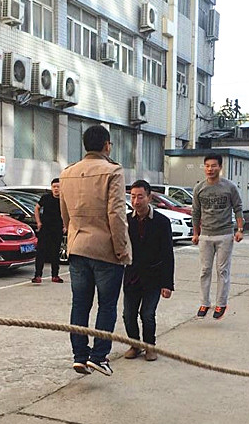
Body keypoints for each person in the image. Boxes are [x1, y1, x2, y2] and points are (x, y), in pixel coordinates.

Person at [59, 125, 131, 376]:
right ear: (106, 145)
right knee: (107, 305)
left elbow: (65, 215)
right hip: (105, 249)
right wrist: (122, 249)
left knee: (80, 304)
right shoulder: (113, 171)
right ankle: (99, 356)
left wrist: (73, 236)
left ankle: (79, 356)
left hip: (77, 247)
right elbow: (116, 214)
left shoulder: (67, 173)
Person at [123, 180, 174, 362]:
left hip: (153, 277)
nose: (136, 201)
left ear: (149, 197)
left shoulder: (162, 222)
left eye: (140, 197)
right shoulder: (126, 220)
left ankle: (149, 346)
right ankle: (134, 345)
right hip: (131, 276)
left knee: (147, 314)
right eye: (133, 197)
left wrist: (167, 284)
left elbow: (167, 253)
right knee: (128, 315)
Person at [191, 154, 244, 320]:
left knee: (222, 270)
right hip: (205, 235)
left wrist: (240, 229)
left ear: (220, 167)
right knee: (205, 270)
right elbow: (196, 212)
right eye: (207, 166)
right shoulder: (199, 188)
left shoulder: (229, 187)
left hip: (225, 234)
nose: (210, 169)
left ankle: (221, 303)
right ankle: (204, 303)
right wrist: (195, 233)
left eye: (214, 166)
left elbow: (238, 208)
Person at [31, 178, 65, 284]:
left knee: (55, 252)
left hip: (57, 228)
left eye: (58, 187)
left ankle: (55, 275)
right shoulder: (45, 198)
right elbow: (36, 208)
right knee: (41, 252)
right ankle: (37, 275)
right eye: (54, 187)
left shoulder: (64, 199)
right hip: (45, 228)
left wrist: (65, 225)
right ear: (51, 188)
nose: (56, 189)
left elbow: (67, 212)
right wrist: (38, 222)